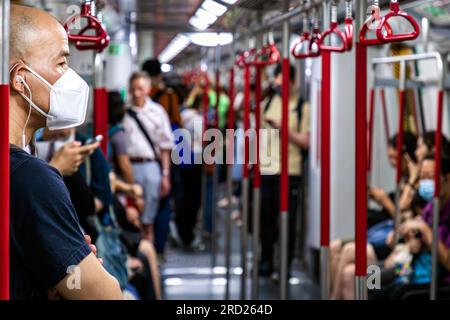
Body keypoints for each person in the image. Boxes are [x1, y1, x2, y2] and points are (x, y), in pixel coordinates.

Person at [8, 5, 122, 299]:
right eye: (61, 64)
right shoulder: (31, 178)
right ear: (20, 78)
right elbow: (106, 296)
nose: (69, 77)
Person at [258, 63, 310, 277]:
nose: (279, 86)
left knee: (287, 221)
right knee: (266, 219)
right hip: (267, 168)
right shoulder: (267, 102)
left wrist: (283, 129)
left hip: (291, 171)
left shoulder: (301, 107)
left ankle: (285, 265)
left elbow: (306, 142)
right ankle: (266, 260)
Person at [122, 71, 174, 247]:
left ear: (148, 89)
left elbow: (166, 146)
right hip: (128, 167)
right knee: (132, 213)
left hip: (151, 166)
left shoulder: (157, 112)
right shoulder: (124, 112)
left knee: (149, 217)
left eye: (140, 88)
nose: (137, 93)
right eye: (134, 89)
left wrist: (165, 174)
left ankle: (150, 253)